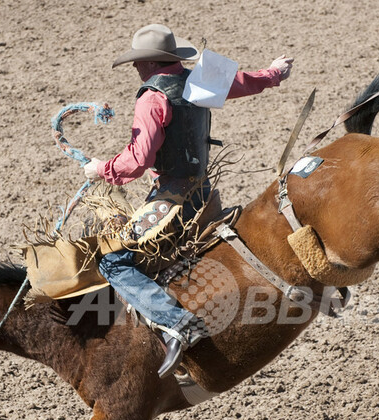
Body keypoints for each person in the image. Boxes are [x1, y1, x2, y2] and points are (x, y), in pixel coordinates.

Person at [83, 23, 293, 378]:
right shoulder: (198, 80)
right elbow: (242, 81)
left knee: (113, 261)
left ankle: (178, 323)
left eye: (138, 61)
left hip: (174, 200)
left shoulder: (152, 97)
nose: (135, 68)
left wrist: (101, 169)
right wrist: (273, 72)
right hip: (204, 192)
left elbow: (138, 160)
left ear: (150, 62)